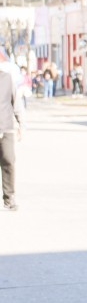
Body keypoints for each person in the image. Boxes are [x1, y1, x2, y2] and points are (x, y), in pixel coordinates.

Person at [0, 65, 22, 211]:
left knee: (9, 161)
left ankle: (9, 198)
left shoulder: (7, 78)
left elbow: (16, 102)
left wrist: (20, 123)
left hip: (5, 127)